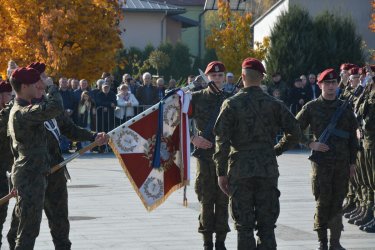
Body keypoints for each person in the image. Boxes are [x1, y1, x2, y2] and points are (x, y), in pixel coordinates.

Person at [213, 58, 301, 250]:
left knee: (244, 227)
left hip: (240, 170)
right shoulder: (275, 104)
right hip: (267, 169)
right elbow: (296, 132)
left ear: (242, 76)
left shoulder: (230, 104)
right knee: (267, 226)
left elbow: (222, 141)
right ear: (262, 78)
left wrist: (221, 172)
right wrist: (276, 150)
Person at [284, 68, 358, 250]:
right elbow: (293, 128)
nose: (331, 86)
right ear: (320, 84)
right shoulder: (312, 107)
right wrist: (310, 143)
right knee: (323, 203)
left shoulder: (346, 107)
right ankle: (322, 242)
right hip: (322, 164)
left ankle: (335, 242)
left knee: (337, 203)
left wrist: (353, 162)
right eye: (327, 83)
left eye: (334, 83)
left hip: (341, 164)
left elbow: (352, 138)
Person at [8, 66, 64, 249]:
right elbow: (55, 107)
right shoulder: (22, 113)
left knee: (29, 231)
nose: (39, 85)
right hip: (29, 178)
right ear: (24, 87)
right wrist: (51, 86)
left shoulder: (25, 109)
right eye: (35, 83)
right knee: (27, 233)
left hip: (34, 175)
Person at [189, 61, 230, 250]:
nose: (217, 79)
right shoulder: (195, 98)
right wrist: (192, 138)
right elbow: (173, 120)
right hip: (204, 157)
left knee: (223, 200)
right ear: (207, 78)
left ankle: (221, 242)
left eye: (220, 76)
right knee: (206, 200)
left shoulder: (231, 99)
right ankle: (207, 242)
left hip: (224, 157)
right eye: (213, 76)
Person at [0, 81, 14, 249]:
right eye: (8, 95)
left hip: (6, 171)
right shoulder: (6, 115)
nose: (11, 98)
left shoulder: (8, 114)